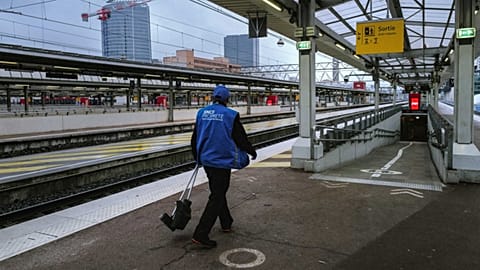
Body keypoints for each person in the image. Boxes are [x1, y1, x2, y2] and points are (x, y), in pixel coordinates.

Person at [190, 85, 257, 248]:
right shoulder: (230, 115)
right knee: (217, 196)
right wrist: (251, 151)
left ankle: (226, 222)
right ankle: (201, 233)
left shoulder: (202, 113)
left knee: (218, 192)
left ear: (213, 97)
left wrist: (197, 158)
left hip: (207, 161)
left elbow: (194, 138)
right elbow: (240, 138)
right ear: (227, 99)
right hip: (221, 161)